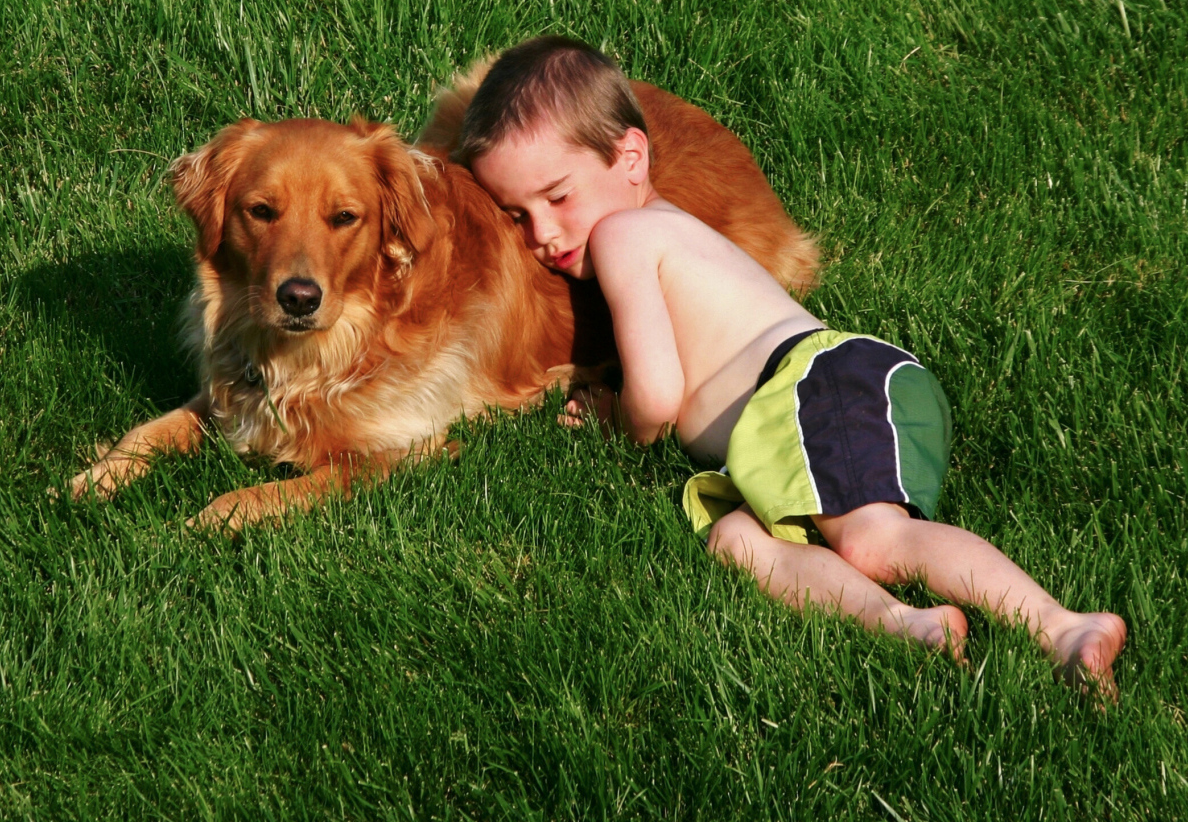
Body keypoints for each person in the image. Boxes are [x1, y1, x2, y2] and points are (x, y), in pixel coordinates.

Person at [459, 35, 1127, 699]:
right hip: (789, 427)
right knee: (737, 541)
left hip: (816, 389)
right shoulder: (652, 225)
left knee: (873, 538)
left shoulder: (622, 235)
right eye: (518, 215)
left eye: (557, 197)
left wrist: (618, 420)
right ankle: (907, 624)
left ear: (630, 156)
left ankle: (1062, 625)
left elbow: (658, 395)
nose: (541, 234)